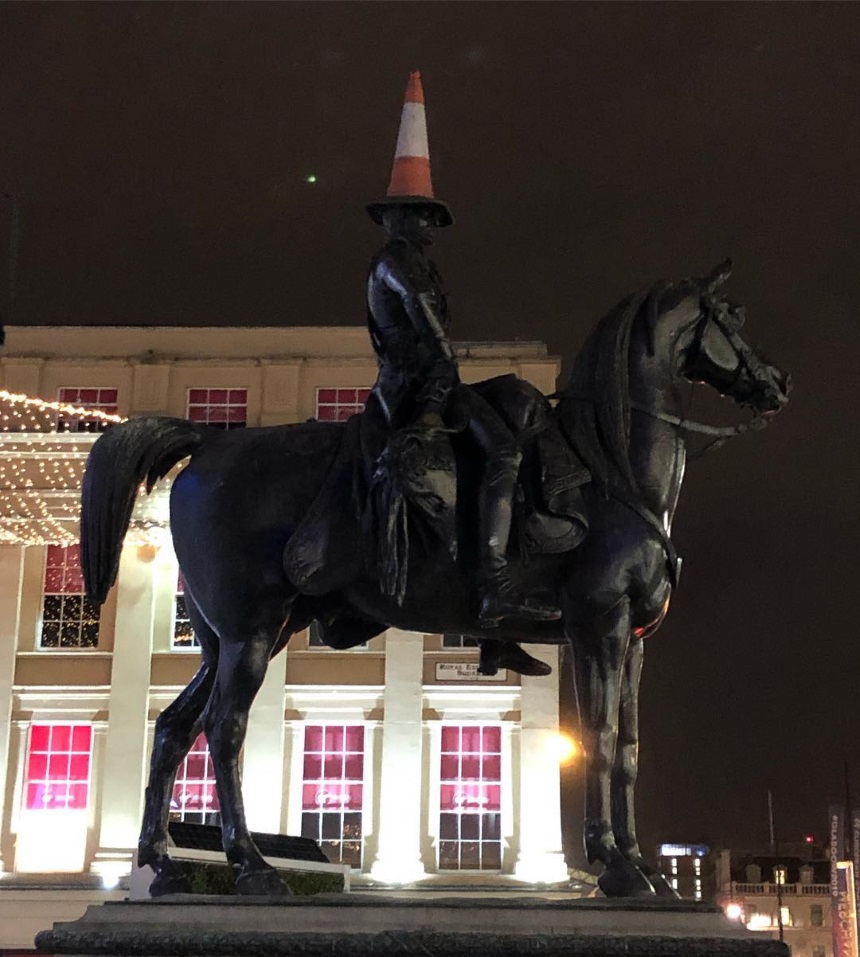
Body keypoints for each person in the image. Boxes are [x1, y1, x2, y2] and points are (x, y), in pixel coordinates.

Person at [365, 73, 559, 676]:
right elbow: (433, 341)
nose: (430, 226)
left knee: (516, 411)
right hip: (414, 389)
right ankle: (494, 587)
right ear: (400, 218)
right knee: (501, 452)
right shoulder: (399, 263)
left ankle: (493, 628)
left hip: (434, 382)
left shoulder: (413, 260)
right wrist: (434, 405)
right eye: (422, 215)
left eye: (431, 217)